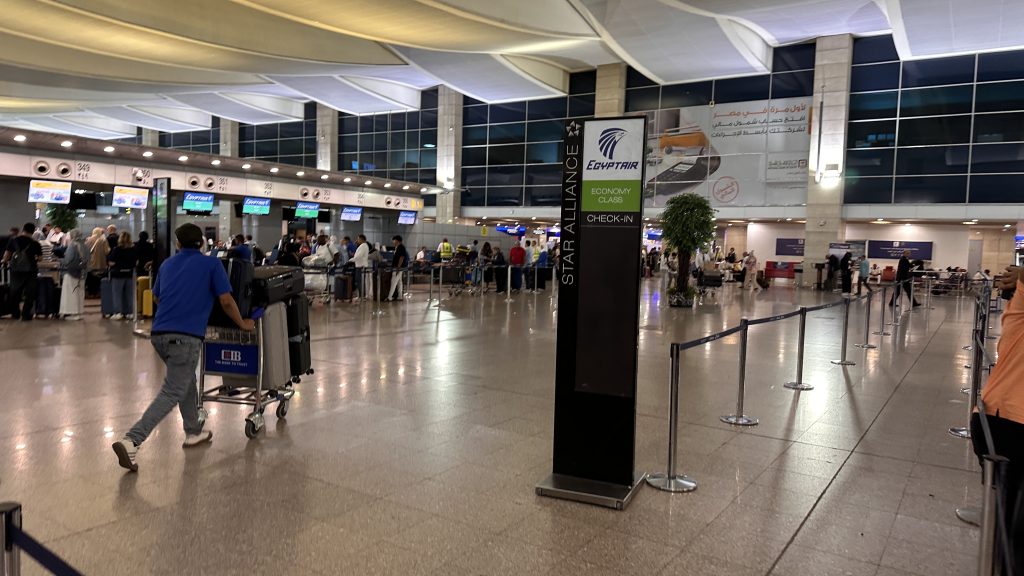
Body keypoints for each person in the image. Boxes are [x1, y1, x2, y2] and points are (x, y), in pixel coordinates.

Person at [112, 223, 254, 472]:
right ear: (202, 243)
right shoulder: (211, 264)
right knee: (172, 391)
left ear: (178, 244)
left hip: (159, 334)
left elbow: (157, 296)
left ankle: (193, 432)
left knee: (186, 381)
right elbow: (226, 300)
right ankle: (132, 440)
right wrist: (243, 324)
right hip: (185, 337)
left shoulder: (167, 265)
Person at [971, 265, 1024, 566]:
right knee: (1013, 537)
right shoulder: (1019, 313)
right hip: (1008, 424)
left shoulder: (1016, 315)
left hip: (1001, 418)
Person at [3, 223, 42, 321]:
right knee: (29, 293)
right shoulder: (35, 243)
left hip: (15, 270)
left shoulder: (13, 241)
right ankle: (26, 314)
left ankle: (15, 313)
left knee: (15, 291)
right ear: (33, 232)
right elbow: (40, 258)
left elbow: (6, 256)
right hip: (30, 271)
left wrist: (7, 261)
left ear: (23, 230)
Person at [107, 231, 138, 320]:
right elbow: (136, 262)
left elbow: (110, 262)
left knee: (117, 294)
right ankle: (130, 312)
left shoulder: (116, 250)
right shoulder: (133, 250)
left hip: (117, 274)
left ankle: (118, 312)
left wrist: (116, 264)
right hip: (130, 274)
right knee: (130, 295)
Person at [59, 228, 88, 321]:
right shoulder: (85, 245)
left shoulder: (72, 245)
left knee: (71, 293)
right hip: (82, 272)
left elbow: (68, 260)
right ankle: (80, 312)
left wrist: (60, 260)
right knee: (80, 293)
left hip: (71, 272)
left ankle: (73, 313)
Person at [387, 235, 409, 301]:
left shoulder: (401, 247)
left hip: (398, 267)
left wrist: (398, 267)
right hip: (399, 267)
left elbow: (401, 257)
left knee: (393, 282)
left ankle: (389, 297)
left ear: (397, 240)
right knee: (399, 282)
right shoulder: (398, 247)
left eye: (393, 240)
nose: (393, 242)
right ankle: (400, 296)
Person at [353, 234, 370, 300]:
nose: (357, 240)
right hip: (360, 265)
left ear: (361, 239)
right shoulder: (363, 246)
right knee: (360, 281)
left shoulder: (363, 246)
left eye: (358, 239)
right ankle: (361, 295)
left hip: (361, 266)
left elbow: (359, 256)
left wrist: (351, 260)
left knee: (359, 281)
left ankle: (361, 296)